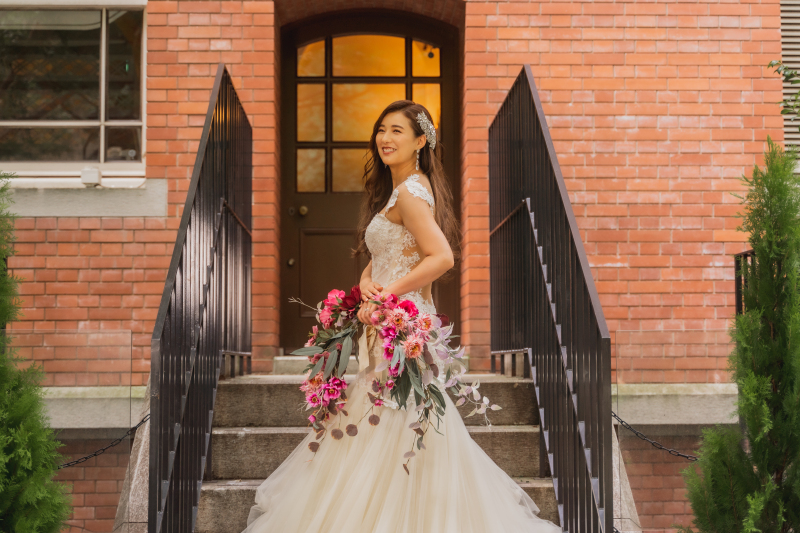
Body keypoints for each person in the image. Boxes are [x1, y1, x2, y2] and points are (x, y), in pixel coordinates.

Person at [242, 100, 561, 533]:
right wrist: (367, 280)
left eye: (397, 131)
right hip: (387, 326)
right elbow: (392, 252)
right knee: (386, 419)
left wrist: (387, 295)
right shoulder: (401, 190)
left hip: (401, 328)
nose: (386, 138)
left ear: (420, 141)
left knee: (399, 418)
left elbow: (441, 257)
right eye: (381, 130)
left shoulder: (411, 192)